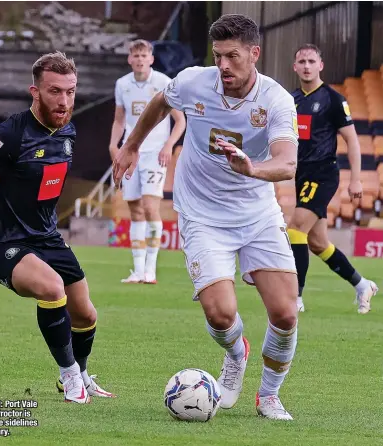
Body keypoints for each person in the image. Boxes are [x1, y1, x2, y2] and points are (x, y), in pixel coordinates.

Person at [113, 14, 300, 420]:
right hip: (201, 214)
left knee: (285, 314)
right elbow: (163, 101)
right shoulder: (194, 81)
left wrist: (253, 169)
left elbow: (287, 164)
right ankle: (237, 354)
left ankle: (268, 396)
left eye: (233, 56)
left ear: (255, 53)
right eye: (218, 56)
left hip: (257, 214)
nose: (224, 66)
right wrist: (131, 146)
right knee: (219, 313)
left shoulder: (276, 101)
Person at [0, 51, 114, 404]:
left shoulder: (68, 132)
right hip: (4, 242)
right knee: (52, 287)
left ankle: (81, 372)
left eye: (71, 92)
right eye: (55, 92)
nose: (64, 101)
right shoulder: (8, 136)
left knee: (86, 313)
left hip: (46, 238)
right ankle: (69, 376)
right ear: (35, 92)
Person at [289, 44, 378, 314]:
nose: (306, 65)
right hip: (301, 174)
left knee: (294, 230)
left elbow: (351, 140)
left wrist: (356, 180)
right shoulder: (290, 99)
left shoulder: (333, 99)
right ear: (295, 66)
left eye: (311, 61)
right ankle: (362, 284)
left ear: (320, 65)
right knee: (317, 243)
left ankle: (296, 297)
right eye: (301, 61)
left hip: (324, 173)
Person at [109, 39, 186, 284]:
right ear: (130, 59)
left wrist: (168, 145)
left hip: (154, 153)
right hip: (133, 152)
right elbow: (120, 120)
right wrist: (114, 144)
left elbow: (180, 120)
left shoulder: (163, 82)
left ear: (151, 59)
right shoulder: (122, 84)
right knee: (135, 209)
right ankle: (137, 269)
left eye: (144, 55)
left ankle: (151, 270)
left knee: (151, 207)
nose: (140, 59)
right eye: (136, 55)